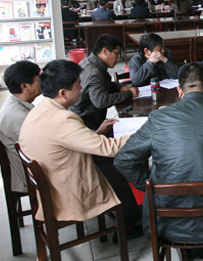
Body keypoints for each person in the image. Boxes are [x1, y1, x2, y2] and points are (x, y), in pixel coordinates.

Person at [114, 62, 203, 256]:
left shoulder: (158, 118)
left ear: (179, 90)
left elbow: (123, 160)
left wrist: (151, 187)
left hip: (165, 224)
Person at [18, 60, 134, 227]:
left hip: (53, 183)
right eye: (78, 85)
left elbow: (64, 140)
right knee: (115, 165)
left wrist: (95, 134)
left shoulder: (40, 108)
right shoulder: (63, 120)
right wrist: (143, 132)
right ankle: (128, 223)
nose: (82, 88)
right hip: (66, 193)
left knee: (109, 156)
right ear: (63, 93)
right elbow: (111, 148)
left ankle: (129, 215)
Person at [69, 35, 142, 230]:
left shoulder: (91, 63)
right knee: (121, 160)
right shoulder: (94, 72)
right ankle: (127, 221)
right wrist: (126, 94)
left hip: (91, 125)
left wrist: (120, 87)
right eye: (116, 54)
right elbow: (100, 100)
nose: (118, 58)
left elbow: (105, 85)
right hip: (88, 128)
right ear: (104, 51)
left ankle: (129, 206)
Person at [0, 61, 41, 194]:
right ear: (25, 86)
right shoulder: (19, 117)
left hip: (28, 169)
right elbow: (42, 149)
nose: (42, 82)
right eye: (38, 79)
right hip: (28, 178)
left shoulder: (14, 104)